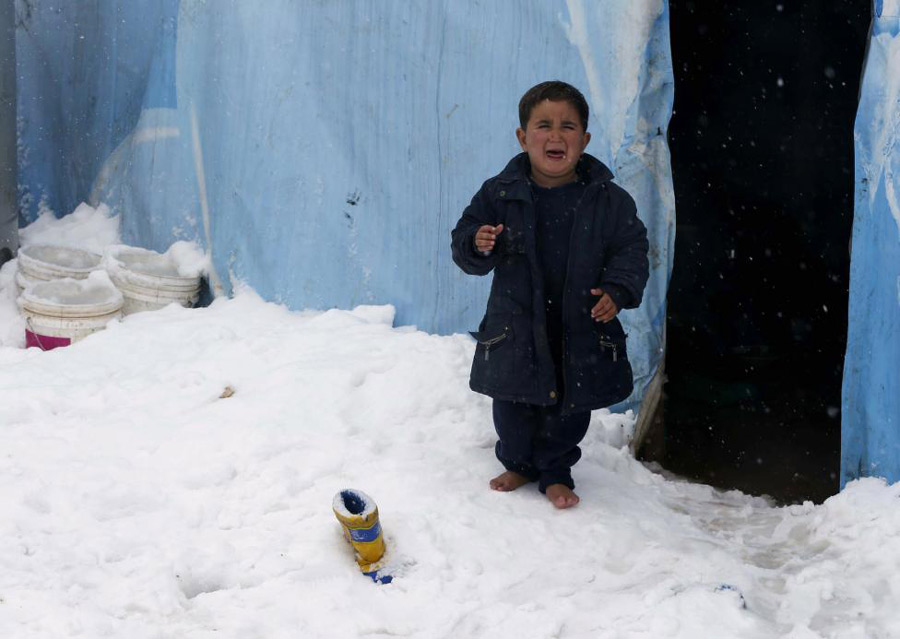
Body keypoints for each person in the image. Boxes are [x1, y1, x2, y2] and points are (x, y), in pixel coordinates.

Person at [451, 80, 649, 509]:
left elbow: (631, 250)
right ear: (523, 137)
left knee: (570, 406)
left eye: (568, 126)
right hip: (517, 322)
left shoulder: (608, 201)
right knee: (512, 403)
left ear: (585, 139)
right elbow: (464, 238)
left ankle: (557, 470)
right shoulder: (498, 194)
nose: (555, 136)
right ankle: (519, 462)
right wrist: (477, 241)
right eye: (543, 125)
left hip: (579, 321)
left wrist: (617, 290)